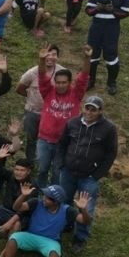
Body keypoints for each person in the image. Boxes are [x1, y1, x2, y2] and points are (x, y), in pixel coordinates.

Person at [58, 95, 118, 253]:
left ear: (100, 111)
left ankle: (80, 238)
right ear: (83, 108)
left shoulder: (109, 128)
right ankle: (67, 224)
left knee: (87, 208)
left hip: (89, 177)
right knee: (64, 201)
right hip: (68, 172)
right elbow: (62, 144)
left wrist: (97, 175)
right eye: (87, 108)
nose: (89, 112)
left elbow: (111, 153)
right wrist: (61, 164)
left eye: (94, 109)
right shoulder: (72, 123)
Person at [35, 45, 92, 187]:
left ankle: (53, 198)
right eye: (58, 82)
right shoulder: (48, 91)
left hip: (64, 142)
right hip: (44, 140)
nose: (60, 85)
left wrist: (87, 58)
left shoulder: (76, 94)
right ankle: (39, 195)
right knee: (41, 169)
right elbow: (42, 77)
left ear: (69, 83)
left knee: (57, 172)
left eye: (64, 83)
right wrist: (42, 61)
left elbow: (84, 77)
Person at [16, 44, 66, 162]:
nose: (50, 57)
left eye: (54, 54)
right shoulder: (32, 72)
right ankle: (30, 163)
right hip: (33, 112)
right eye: (47, 53)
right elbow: (19, 88)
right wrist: (31, 98)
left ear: (57, 57)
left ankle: (47, 162)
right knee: (31, 138)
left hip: (53, 114)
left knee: (51, 139)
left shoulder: (62, 72)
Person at [86, 0, 129, 95]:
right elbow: (88, 10)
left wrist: (112, 10)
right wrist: (97, 9)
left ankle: (111, 82)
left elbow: (125, 13)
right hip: (96, 27)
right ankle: (91, 80)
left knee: (111, 56)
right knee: (92, 55)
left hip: (111, 28)